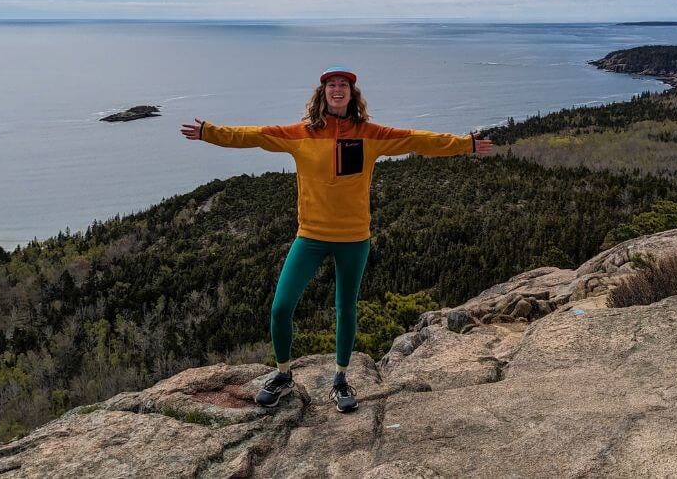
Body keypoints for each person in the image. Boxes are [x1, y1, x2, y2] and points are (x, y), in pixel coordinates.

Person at [180, 65, 493, 413]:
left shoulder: (370, 133)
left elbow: (418, 139)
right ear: (323, 93)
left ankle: (341, 380)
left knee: (346, 308)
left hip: (354, 238)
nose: (338, 89)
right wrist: (210, 132)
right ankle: (283, 375)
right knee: (281, 307)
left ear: (352, 94)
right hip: (310, 235)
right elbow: (252, 135)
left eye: (343, 85)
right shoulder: (300, 133)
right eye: (332, 85)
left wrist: (466, 144)